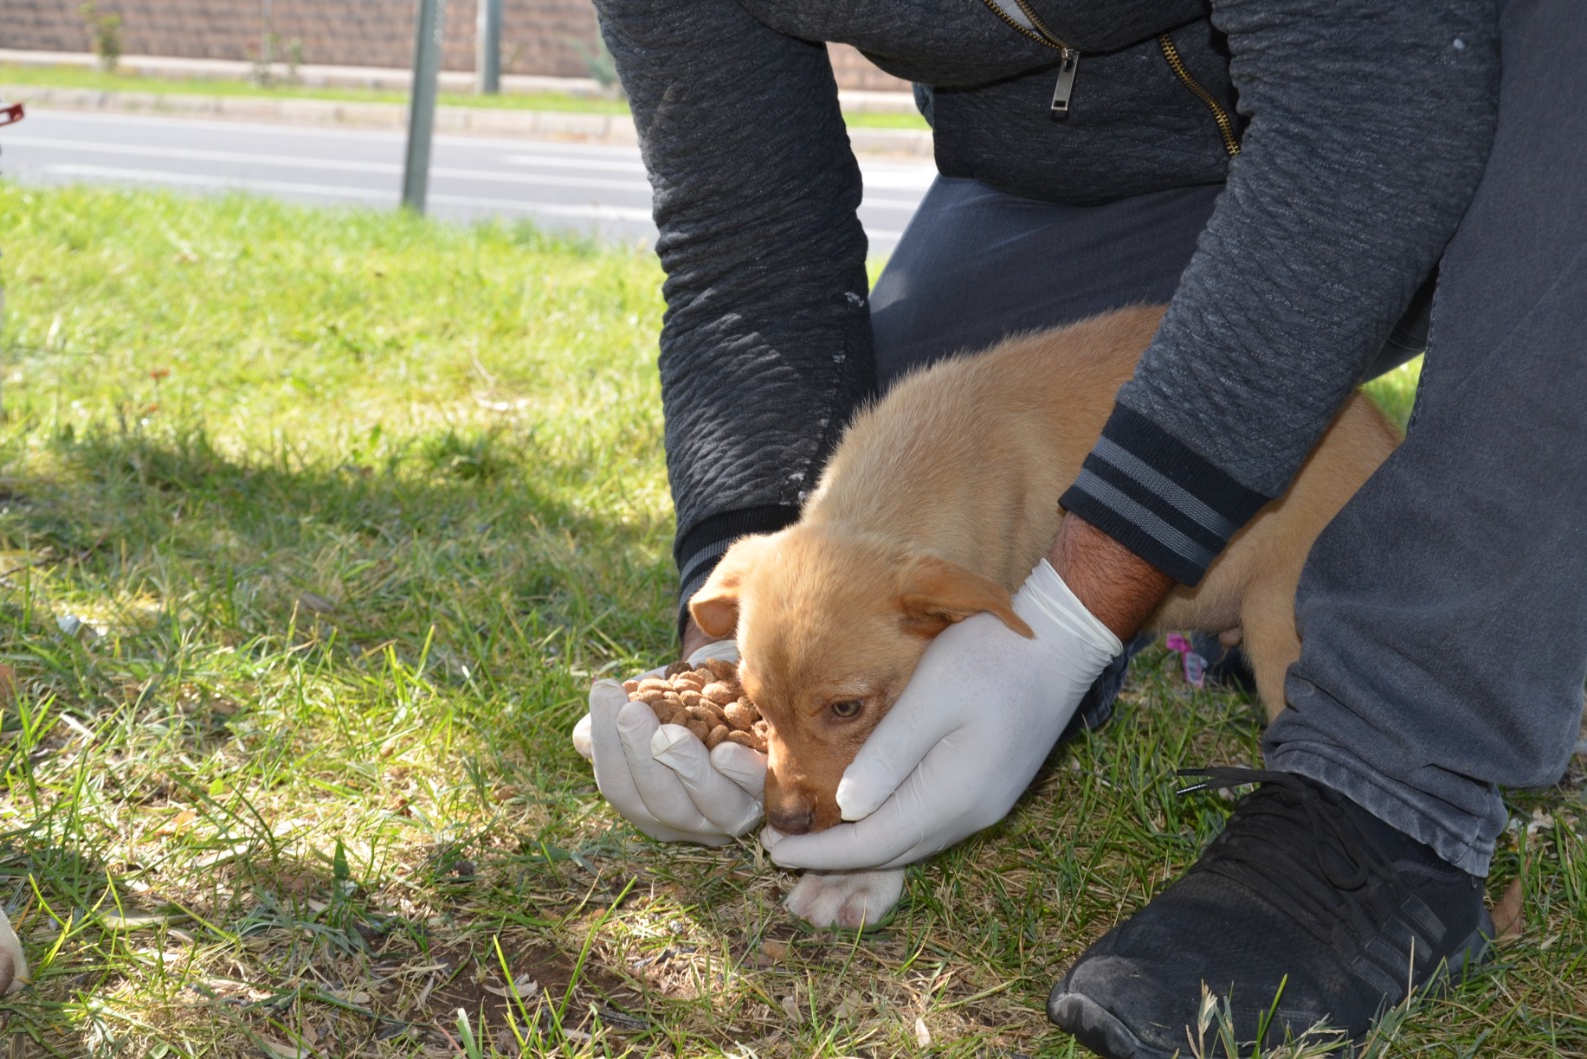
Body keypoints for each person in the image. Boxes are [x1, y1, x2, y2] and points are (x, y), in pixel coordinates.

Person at [578, 0, 1587, 1053]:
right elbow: (744, 254)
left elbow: (1375, 92)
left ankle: (1389, 789)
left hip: (1447, 113)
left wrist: (1065, 615)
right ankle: (1089, 660)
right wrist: (722, 647)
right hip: (1082, 187)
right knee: (929, 433)